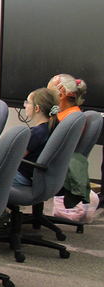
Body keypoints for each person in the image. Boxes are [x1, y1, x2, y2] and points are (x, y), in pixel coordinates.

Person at [47, 74, 94, 212]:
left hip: (51, 166)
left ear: (61, 95)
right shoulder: (68, 115)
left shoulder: (70, 119)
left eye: (50, 92)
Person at [14, 88, 58, 186]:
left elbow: (14, 159)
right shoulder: (52, 128)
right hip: (32, 177)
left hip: (21, 177)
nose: (25, 105)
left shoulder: (36, 134)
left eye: (27, 102)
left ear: (37, 108)